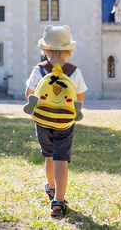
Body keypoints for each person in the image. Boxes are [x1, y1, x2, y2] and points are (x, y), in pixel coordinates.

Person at [25, 25, 87, 217]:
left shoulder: (38, 70)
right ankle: (58, 202)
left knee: (49, 156)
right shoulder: (74, 72)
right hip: (65, 124)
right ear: (69, 51)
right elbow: (79, 99)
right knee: (62, 160)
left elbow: (29, 95)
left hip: (43, 122)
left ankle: (51, 188)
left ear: (45, 50)